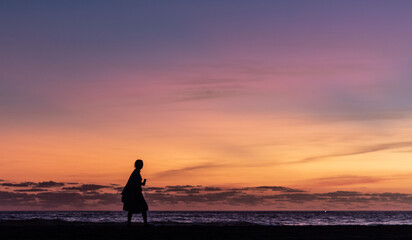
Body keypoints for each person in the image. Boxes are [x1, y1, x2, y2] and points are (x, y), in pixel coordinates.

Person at [121, 159, 149, 226]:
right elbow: (134, 183)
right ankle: (144, 223)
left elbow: (136, 183)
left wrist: (142, 183)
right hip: (135, 193)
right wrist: (141, 183)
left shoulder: (136, 172)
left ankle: (129, 223)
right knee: (143, 207)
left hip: (135, 193)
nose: (142, 165)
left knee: (132, 208)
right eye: (141, 164)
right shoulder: (136, 173)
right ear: (138, 165)